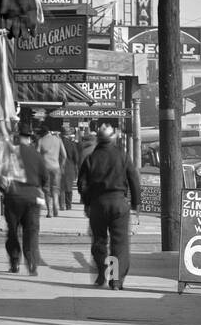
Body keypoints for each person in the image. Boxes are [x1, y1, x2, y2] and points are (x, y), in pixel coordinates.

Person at [78, 120, 141, 289]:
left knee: (99, 241)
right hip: (119, 203)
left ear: (98, 139)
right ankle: (116, 279)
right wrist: (136, 204)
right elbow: (134, 179)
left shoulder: (91, 158)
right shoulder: (122, 155)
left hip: (98, 204)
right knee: (119, 243)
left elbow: (82, 184)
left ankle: (101, 273)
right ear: (113, 138)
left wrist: (87, 202)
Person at [0, 124, 47, 274]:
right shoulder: (36, 155)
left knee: (12, 231)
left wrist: (4, 192)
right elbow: (44, 177)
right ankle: (31, 262)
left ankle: (14, 261)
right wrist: (39, 188)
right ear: (30, 139)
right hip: (32, 197)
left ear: (17, 138)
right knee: (31, 231)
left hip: (13, 197)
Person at [36, 125, 67, 217]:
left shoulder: (40, 141)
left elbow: (37, 156)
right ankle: (56, 208)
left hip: (45, 167)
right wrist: (62, 166)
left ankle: (50, 211)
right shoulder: (58, 140)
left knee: (47, 189)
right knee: (55, 188)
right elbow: (64, 156)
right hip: (56, 167)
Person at [61, 133, 81, 211]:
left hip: (59, 165)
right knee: (69, 187)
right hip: (69, 166)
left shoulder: (59, 142)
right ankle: (68, 205)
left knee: (61, 186)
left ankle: (61, 205)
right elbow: (76, 157)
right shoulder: (71, 144)